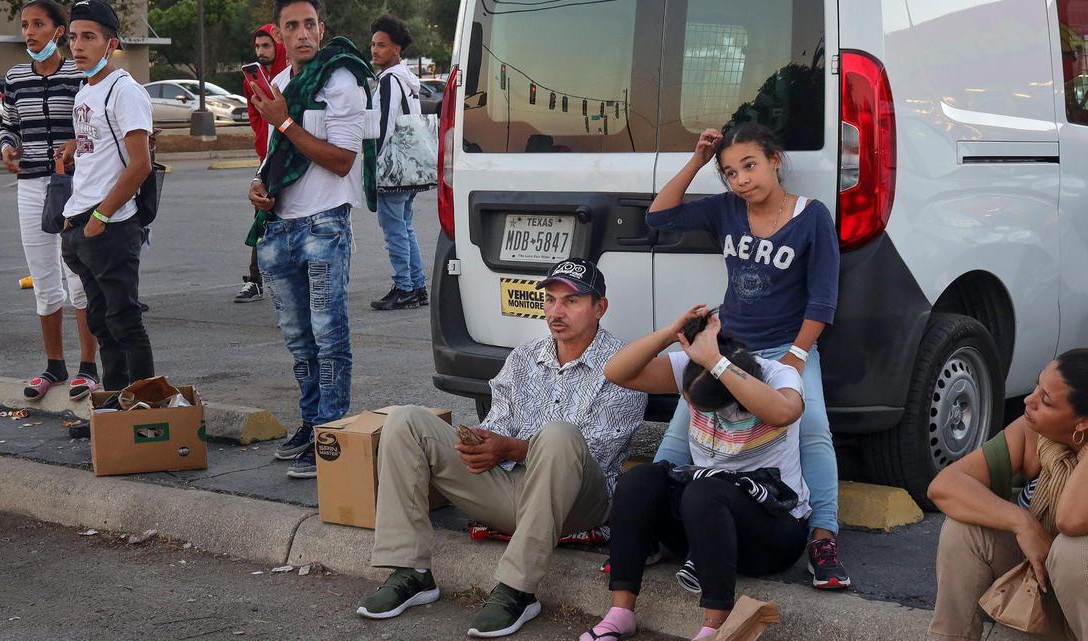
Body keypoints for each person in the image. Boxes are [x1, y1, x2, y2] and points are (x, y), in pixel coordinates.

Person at [357, 258, 647, 638]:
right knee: (406, 420)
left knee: (559, 435)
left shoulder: (623, 366)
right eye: (551, 300)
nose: (557, 312)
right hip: (510, 491)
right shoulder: (525, 357)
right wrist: (481, 443)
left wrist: (510, 449)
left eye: (572, 302)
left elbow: (593, 453)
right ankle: (411, 571)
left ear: (599, 308)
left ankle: (518, 590)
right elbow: (499, 422)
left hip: (578, 502)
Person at [646, 122, 849, 588]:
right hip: (728, 348)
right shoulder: (726, 210)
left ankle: (823, 538)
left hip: (786, 348)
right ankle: (651, 529)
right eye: (731, 172)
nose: (741, 180)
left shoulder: (812, 216)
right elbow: (658, 218)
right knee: (680, 432)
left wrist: (798, 354)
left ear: (775, 159)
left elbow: (823, 298)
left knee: (812, 428)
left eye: (750, 165)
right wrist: (698, 160)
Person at [582, 308, 809, 641]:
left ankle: (714, 627)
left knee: (705, 491)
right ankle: (620, 612)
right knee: (640, 480)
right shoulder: (693, 369)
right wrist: (672, 332)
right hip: (706, 529)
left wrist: (719, 364)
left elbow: (784, 411)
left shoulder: (777, 377)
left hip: (772, 532)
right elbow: (616, 371)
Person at [245, 0, 373, 479]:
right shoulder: (279, 85)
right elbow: (277, 156)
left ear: (323, 29)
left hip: (324, 224)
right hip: (279, 226)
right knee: (299, 340)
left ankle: (331, 435)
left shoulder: (342, 80)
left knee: (329, 336)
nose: (302, 34)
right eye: (291, 26)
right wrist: (259, 185)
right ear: (279, 34)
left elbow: (342, 159)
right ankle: (310, 422)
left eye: (310, 25)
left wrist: (284, 121)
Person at [928, 350, 1088, 641]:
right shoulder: (1032, 435)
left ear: (1081, 423)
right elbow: (945, 486)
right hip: (1044, 587)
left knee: (1070, 552)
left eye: (1046, 401)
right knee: (964, 529)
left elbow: (1069, 519)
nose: (1029, 400)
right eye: (1038, 385)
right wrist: (1021, 522)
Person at [0, 0, 99, 402]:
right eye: (25, 25)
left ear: (58, 31)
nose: (29, 33)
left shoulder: (80, 74)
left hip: (74, 185)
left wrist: (75, 143)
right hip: (30, 186)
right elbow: (10, 124)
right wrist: (7, 146)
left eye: (38, 24)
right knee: (44, 281)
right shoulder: (15, 76)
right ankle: (53, 365)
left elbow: (92, 124)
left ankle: (88, 367)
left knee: (78, 278)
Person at [56, 0, 155, 393]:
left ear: (111, 43)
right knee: (101, 321)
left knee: (124, 319)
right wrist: (71, 147)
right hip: (80, 222)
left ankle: (146, 408)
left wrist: (101, 217)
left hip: (110, 224)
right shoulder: (86, 91)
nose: (78, 46)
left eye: (89, 38)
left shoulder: (123, 90)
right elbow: (95, 149)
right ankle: (114, 402)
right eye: (74, 37)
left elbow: (140, 164)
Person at [368, 13, 428, 311]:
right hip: (411, 167)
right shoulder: (406, 80)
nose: (375, 50)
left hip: (392, 168)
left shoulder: (391, 81)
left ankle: (404, 287)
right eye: (373, 44)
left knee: (395, 230)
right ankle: (416, 286)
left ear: (396, 49)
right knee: (405, 227)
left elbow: (384, 126)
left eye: (382, 45)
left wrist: (372, 165)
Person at [234, 23, 287, 304]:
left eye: (266, 45)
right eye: (257, 46)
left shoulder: (290, 74)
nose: (261, 51)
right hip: (266, 156)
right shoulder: (252, 79)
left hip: (290, 154)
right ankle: (255, 279)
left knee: (280, 217)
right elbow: (258, 122)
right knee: (263, 215)